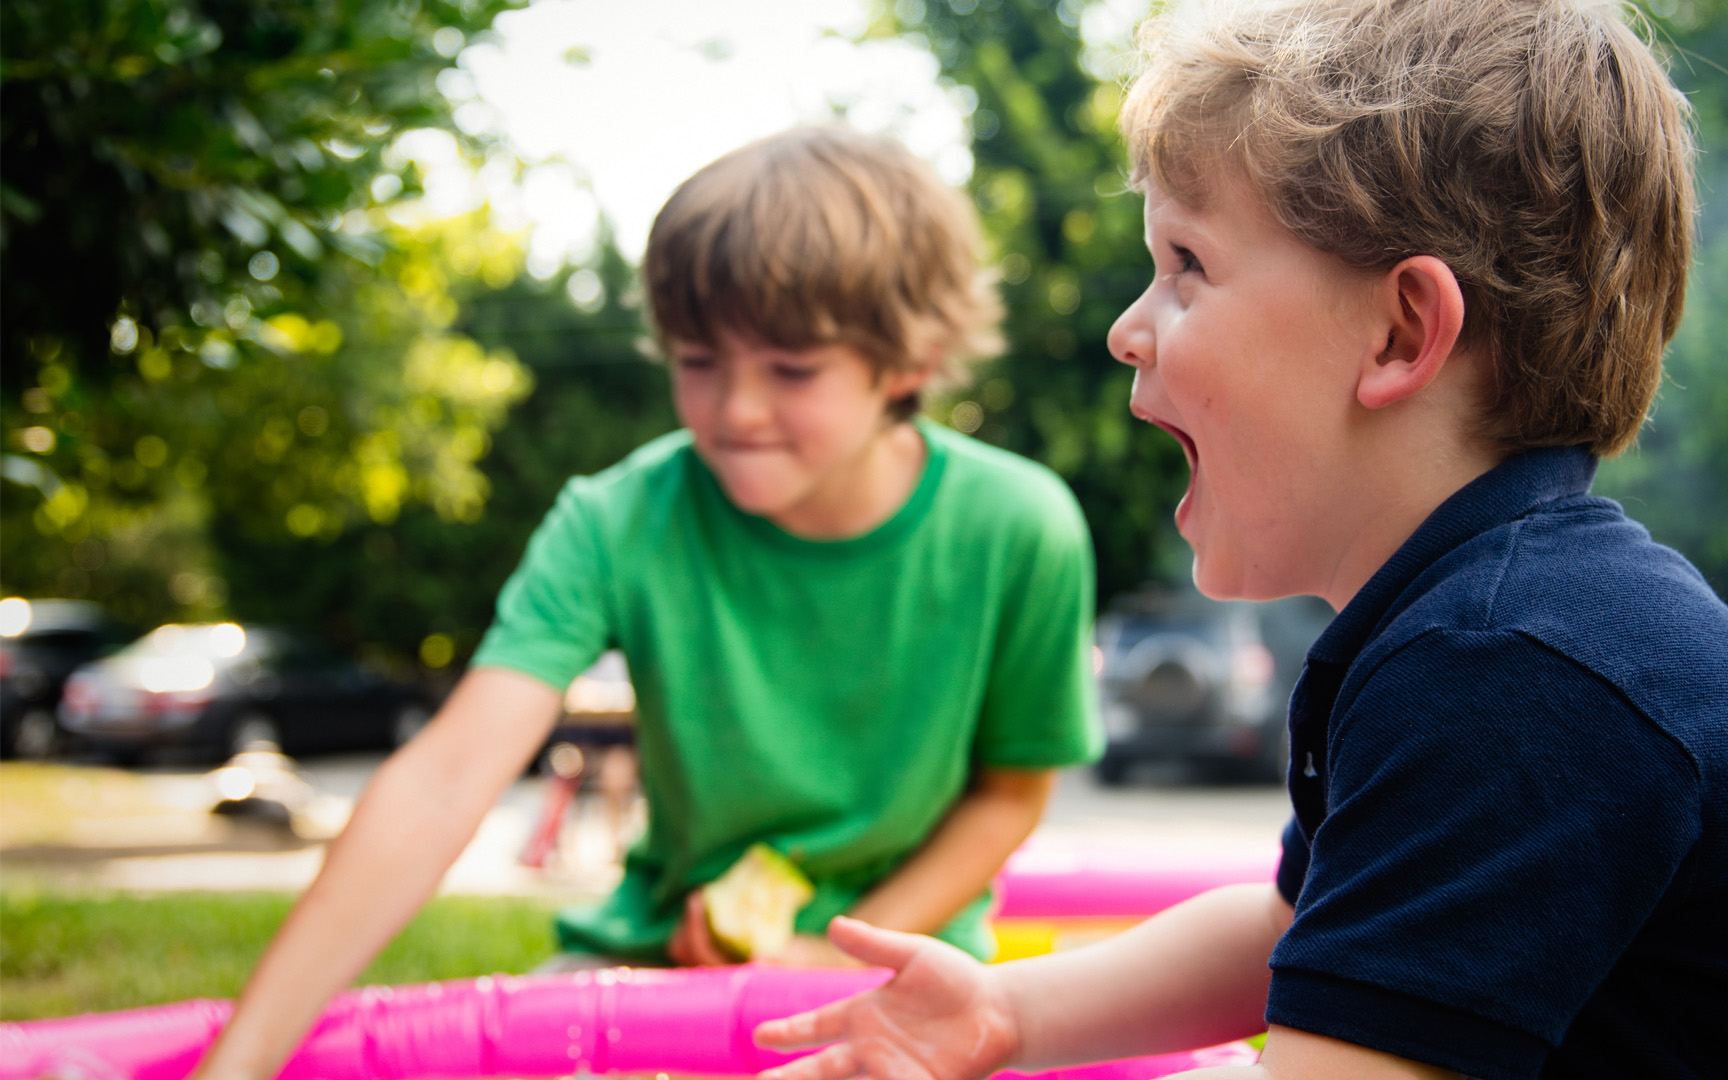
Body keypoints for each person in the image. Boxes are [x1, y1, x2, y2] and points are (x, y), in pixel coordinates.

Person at [752, 2, 1728, 1078]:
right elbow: (1292, 931)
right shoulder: (1490, 619)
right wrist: (1011, 1016)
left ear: (1402, 330)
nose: (1125, 330)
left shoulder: (1510, 669)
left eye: (1186, 267)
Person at [187, 126, 1103, 1079]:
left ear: (910, 361)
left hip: (908, 972)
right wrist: (239, 1065)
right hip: (654, 959)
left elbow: (1008, 793)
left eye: (791, 370)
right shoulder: (616, 519)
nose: (734, 410)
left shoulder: (1019, 527)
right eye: (698, 360)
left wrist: (835, 949)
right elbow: (445, 779)